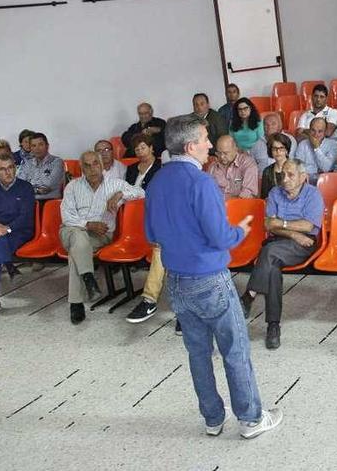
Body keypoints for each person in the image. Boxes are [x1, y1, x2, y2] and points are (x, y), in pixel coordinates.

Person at [145, 113, 282, 439]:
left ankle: (212, 418)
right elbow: (220, 238)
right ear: (191, 145)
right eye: (206, 139)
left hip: (176, 281)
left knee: (198, 353)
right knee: (235, 350)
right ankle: (251, 419)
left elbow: (153, 233)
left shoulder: (158, 181)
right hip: (209, 279)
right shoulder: (201, 182)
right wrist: (240, 231)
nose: (210, 145)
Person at [242, 160, 324, 349]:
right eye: (282, 175)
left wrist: (283, 224)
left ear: (303, 177)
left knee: (268, 252)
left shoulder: (313, 194)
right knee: (272, 268)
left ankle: (249, 295)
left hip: (305, 244)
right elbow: (269, 225)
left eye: (290, 175)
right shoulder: (274, 193)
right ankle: (273, 326)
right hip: (282, 241)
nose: (284, 179)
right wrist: (293, 232)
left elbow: (308, 226)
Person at [59, 151, 145, 324]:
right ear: (82, 168)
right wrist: (88, 224)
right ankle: (87, 278)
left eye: (95, 164)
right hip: (70, 230)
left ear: (101, 164)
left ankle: (79, 297)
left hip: (100, 236)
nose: (92, 169)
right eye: (87, 165)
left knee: (76, 251)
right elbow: (67, 216)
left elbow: (142, 192)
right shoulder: (73, 186)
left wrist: (120, 194)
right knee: (77, 235)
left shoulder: (115, 184)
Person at [0, 153, 35, 320]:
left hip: (20, 231)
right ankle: (7, 267)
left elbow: (25, 217)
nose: (8, 172)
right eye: (2, 169)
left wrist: (7, 228)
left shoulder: (25, 187)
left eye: (11, 167)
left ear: (15, 168)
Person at [122, 134, 166, 324]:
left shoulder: (162, 171)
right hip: (143, 216)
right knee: (160, 250)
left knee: (167, 251)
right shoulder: (131, 169)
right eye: (137, 148)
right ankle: (149, 300)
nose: (140, 151)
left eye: (143, 147)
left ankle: (184, 309)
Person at [207, 135, 259, 199]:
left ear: (236, 149)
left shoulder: (247, 164)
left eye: (225, 153)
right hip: (217, 206)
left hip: (241, 206)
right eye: (219, 153)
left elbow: (248, 194)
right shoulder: (213, 167)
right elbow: (208, 192)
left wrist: (226, 200)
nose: (222, 157)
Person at [17, 132, 65, 200]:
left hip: (48, 202)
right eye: (34, 146)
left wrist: (27, 188)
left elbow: (47, 185)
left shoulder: (57, 162)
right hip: (28, 202)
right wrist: (36, 190)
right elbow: (19, 184)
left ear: (47, 146)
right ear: (31, 148)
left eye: (40, 145)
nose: (37, 148)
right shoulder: (28, 163)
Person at [294, 117, 337, 184]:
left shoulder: (334, 145)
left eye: (320, 131)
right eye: (313, 130)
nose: (316, 135)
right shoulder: (303, 144)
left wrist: (316, 148)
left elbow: (327, 168)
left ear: (325, 131)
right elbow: (298, 167)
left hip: (326, 182)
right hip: (305, 181)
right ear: (309, 130)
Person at [260, 134, 291, 199]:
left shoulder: (296, 168)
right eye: (274, 148)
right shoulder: (267, 171)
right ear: (270, 151)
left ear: (286, 150)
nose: (278, 151)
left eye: (281, 148)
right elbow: (264, 197)